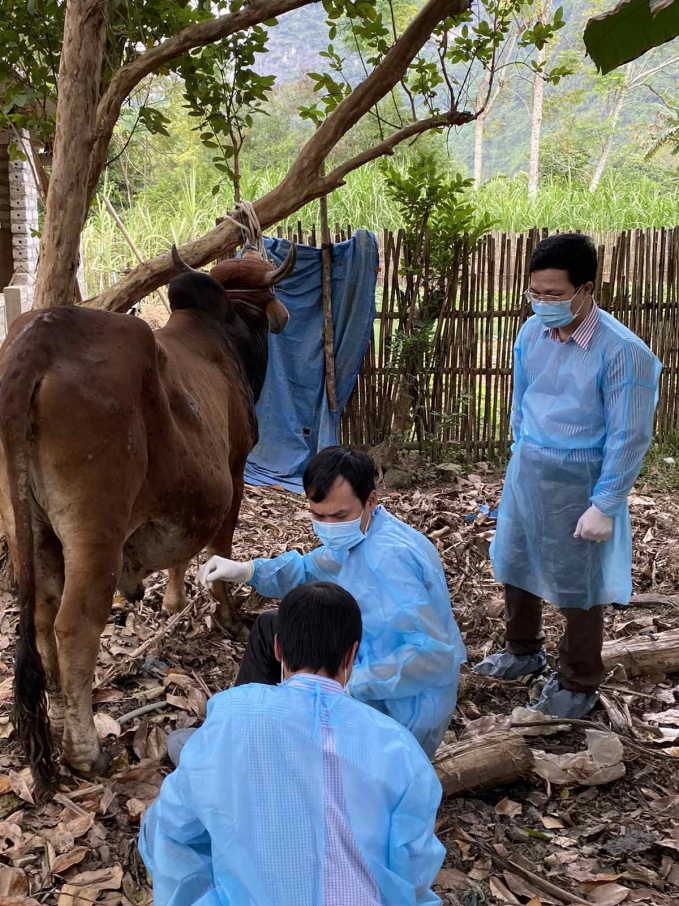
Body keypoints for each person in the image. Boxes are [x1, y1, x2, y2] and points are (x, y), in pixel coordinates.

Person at [139, 582, 445, 906]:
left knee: (164, 822)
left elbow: (176, 821)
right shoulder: (399, 745)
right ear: (352, 654)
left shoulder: (233, 711)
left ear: (277, 649)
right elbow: (415, 863)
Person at [475, 233, 661, 718]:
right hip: (531, 467)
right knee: (516, 560)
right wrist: (520, 456)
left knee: (579, 583)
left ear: (586, 289)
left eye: (554, 295)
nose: (542, 304)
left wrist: (606, 503)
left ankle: (579, 680)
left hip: (582, 477)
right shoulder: (530, 334)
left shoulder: (622, 351)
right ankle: (523, 650)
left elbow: (629, 435)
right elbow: (521, 400)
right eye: (534, 294)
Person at [199, 446, 466, 757]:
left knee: (299, 681)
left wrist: (351, 684)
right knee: (271, 626)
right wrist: (248, 570)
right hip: (362, 660)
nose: (329, 525)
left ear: (371, 501)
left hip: (400, 708)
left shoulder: (390, 559)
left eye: (339, 515)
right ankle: (243, 728)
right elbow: (308, 569)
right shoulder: (362, 532)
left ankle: (247, 747)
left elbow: (432, 656)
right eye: (318, 515)